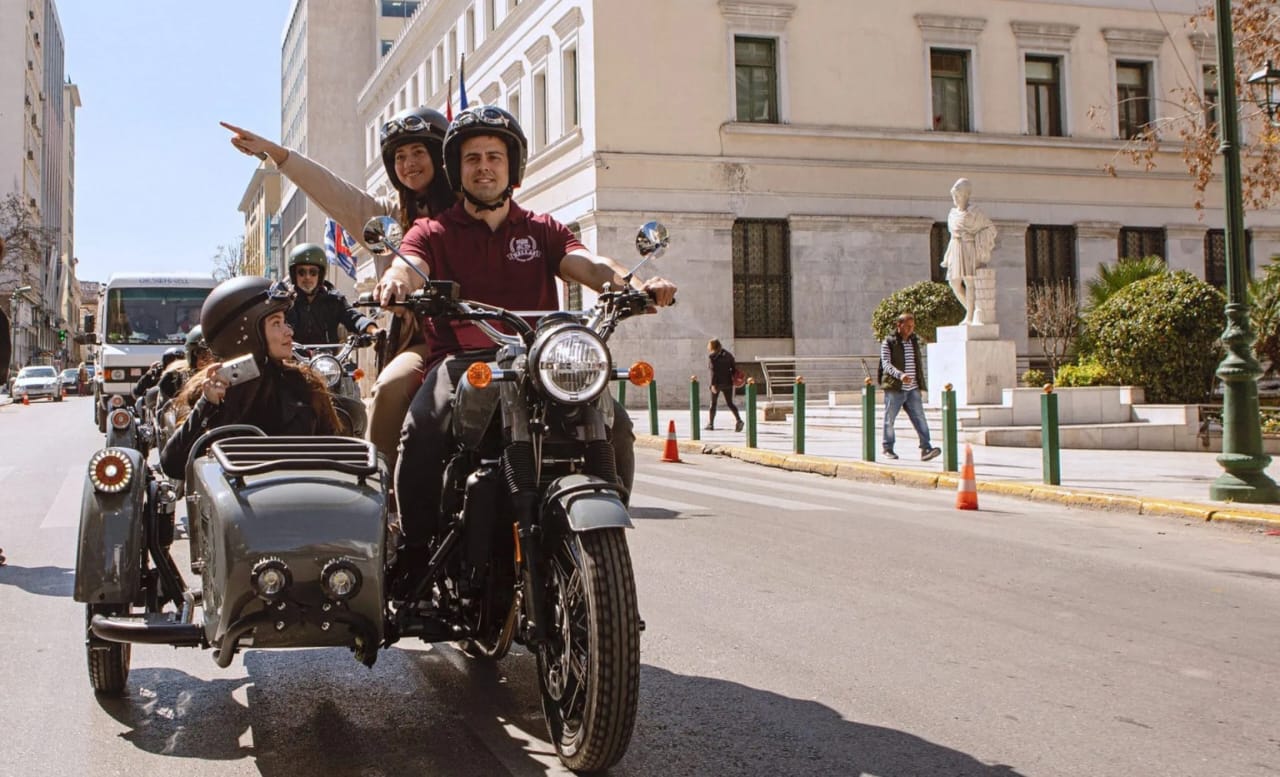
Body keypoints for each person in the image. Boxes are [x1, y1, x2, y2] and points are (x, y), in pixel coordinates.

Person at [374, 104, 677, 552]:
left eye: (494, 157)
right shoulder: (431, 230)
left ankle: (602, 540)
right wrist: (397, 281)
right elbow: (411, 265)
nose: (484, 167)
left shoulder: (541, 229)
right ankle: (414, 551)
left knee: (615, 428)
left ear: (511, 165)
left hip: (538, 362)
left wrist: (634, 286)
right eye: (472, 158)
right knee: (422, 432)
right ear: (457, 168)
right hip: (462, 363)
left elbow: (589, 264)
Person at [222, 108, 454, 479]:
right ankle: (383, 490)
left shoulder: (468, 210)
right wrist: (276, 153)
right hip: (422, 339)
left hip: (482, 332)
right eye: (400, 156)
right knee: (388, 390)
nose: (409, 164)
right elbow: (333, 192)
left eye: (418, 153)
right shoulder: (387, 220)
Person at [160, 276, 342, 479]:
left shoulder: (306, 385)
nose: (289, 331)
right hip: (232, 497)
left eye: (285, 322)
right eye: (276, 323)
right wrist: (206, 405)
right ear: (244, 331)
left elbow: (336, 456)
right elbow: (173, 465)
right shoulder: (209, 389)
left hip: (298, 495)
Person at [284, 244, 377, 345]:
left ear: (320, 275)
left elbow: (353, 317)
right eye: (301, 272)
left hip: (328, 353)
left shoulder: (333, 300)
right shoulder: (286, 302)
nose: (307, 277)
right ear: (294, 275)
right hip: (292, 354)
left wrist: (374, 330)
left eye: (313, 272)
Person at [879, 312, 941, 462]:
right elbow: (886, 364)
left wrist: (919, 384)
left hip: (912, 388)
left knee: (920, 418)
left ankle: (926, 448)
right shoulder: (889, 341)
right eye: (907, 326)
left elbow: (916, 363)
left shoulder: (913, 341)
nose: (910, 329)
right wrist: (900, 375)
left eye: (912, 326)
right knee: (889, 419)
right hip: (895, 387)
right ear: (899, 325)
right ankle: (888, 448)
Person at [940, 177, 997, 325]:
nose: (955, 198)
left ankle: (970, 317)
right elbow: (952, 236)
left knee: (969, 282)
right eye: (954, 195)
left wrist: (980, 241)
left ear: (965, 194)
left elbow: (991, 229)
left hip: (969, 247)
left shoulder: (975, 213)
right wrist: (947, 255)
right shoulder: (952, 214)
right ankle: (973, 311)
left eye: (957, 195)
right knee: (954, 284)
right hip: (955, 247)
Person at [705, 338, 743, 432]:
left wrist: (713, 385)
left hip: (717, 383)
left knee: (713, 403)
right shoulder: (728, 355)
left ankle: (711, 424)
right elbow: (734, 369)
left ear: (712, 346)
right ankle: (739, 420)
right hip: (728, 383)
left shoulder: (712, 357)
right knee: (730, 403)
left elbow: (713, 372)